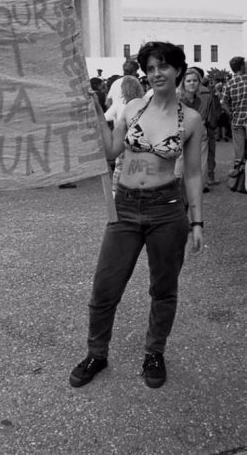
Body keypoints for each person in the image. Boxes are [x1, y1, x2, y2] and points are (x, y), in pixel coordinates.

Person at [69, 42, 204, 390]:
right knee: (105, 288)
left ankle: (154, 353)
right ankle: (96, 353)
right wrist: (97, 111)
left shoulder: (190, 119)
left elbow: (191, 174)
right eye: (151, 67)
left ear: (177, 70)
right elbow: (112, 150)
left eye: (163, 66)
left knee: (163, 289)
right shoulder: (132, 107)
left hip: (167, 209)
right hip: (125, 207)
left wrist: (197, 222)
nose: (156, 73)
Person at [103, 75, 145, 193]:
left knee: (120, 167)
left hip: (121, 139)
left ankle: (116, 192)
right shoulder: (143, 102)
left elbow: (106, 117)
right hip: (138, 142)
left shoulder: (119, 104)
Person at [179, 68, 210, 192]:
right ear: (183, 83)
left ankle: (198, 186)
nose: (192, 83)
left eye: (195, 81)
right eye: (189, 81)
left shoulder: (198, 98)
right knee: (180, 161)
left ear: (199, 82)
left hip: (198, 130)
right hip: (181, 132)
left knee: (201, 160)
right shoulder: (177, 98)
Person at [221, 56, 247, 178]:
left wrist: (231, 113)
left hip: (237, 120)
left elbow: (223, 102)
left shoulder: (229, 83)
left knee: (239, 148)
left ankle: (239, 171)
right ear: (242, 66)